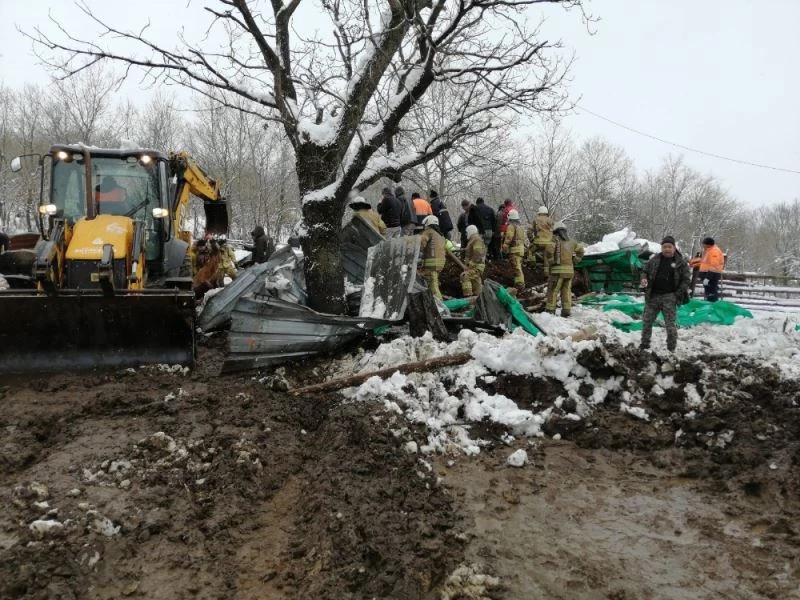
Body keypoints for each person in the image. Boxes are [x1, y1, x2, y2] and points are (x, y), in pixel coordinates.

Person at [639, 235, 691, 352]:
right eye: (664, 247)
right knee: (646, 322)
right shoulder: (655, 259)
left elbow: (686, 280)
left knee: (670, 325)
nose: (667, 249)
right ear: (661, 248)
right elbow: (644, 271)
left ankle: (671, 348)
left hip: (670, 297)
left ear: (674, 247)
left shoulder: (680, 263)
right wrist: (644, 278)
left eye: (669, 247)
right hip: (653, 296)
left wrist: (677, 294)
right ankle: (644, 345)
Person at [544, 222, 585, 317]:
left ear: (556, 231)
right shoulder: (572, 241)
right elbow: (581, 251)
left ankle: (550, 311)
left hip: (557, 272)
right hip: (569, 272)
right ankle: (566, 311)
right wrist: (575, 261)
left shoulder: (554, 240)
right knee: (566, 291)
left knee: (553, 291)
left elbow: (549, 251)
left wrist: (551, 262)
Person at [418, 215, 446, 300]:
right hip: (440, 264)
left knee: (433, 285)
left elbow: (421, 244)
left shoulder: (428, 231)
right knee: (432, 281)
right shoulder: (440, 235)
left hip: (431, 264)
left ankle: (439, 304)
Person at [688, 237, 725, 302]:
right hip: (708, 275)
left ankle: (712, 306)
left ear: (708, 244)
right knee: (709, 291)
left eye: (704, 244)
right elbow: (704, 262)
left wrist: (708, 278)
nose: (703, 246)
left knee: (711, 292)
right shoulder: (709, 251)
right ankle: (710, 304)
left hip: (711, 276)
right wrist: (693, 263)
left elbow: (714, 266)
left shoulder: (714, 252)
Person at [502, 209, 526, 289]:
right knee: (518, 267)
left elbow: (509, 237)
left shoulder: (511, 226)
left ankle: (520, 285)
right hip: (521, 250)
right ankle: (518, 284)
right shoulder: (520, 227)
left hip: (514, 251)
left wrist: (504, 247)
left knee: (516, 268)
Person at [461, 224, 486, 298]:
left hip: (476, 266)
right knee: (475, 281)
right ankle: (479, 297)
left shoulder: (476, 240)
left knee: (465, 276)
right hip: (477, 265)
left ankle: (468, 298)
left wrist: (470, 264)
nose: (466, 234)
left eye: (466, 232)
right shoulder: (474, 240)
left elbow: (478, 253)